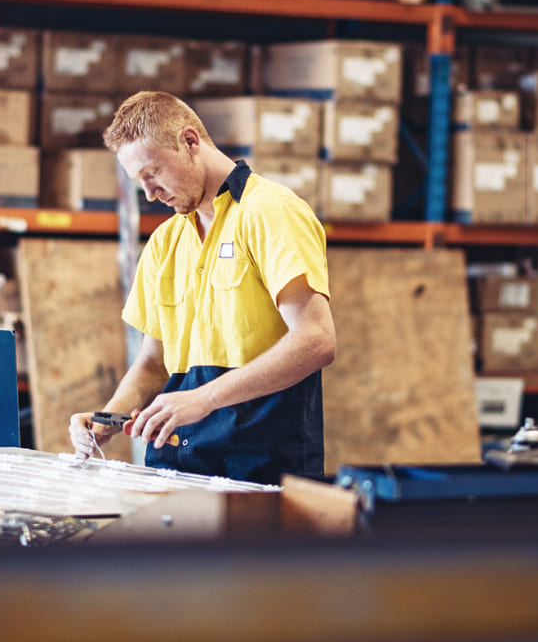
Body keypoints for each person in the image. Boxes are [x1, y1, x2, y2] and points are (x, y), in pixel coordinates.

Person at [67, 91, 336, 484]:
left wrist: (204, 399)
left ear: (190, 142)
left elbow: (316, 339)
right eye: (139, 182)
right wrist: (108, 419)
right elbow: (153, 364)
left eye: (153, 172)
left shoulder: (269, 212)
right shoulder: (165, 241)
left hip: (259, 469)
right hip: (174, 468)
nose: (149, 193)